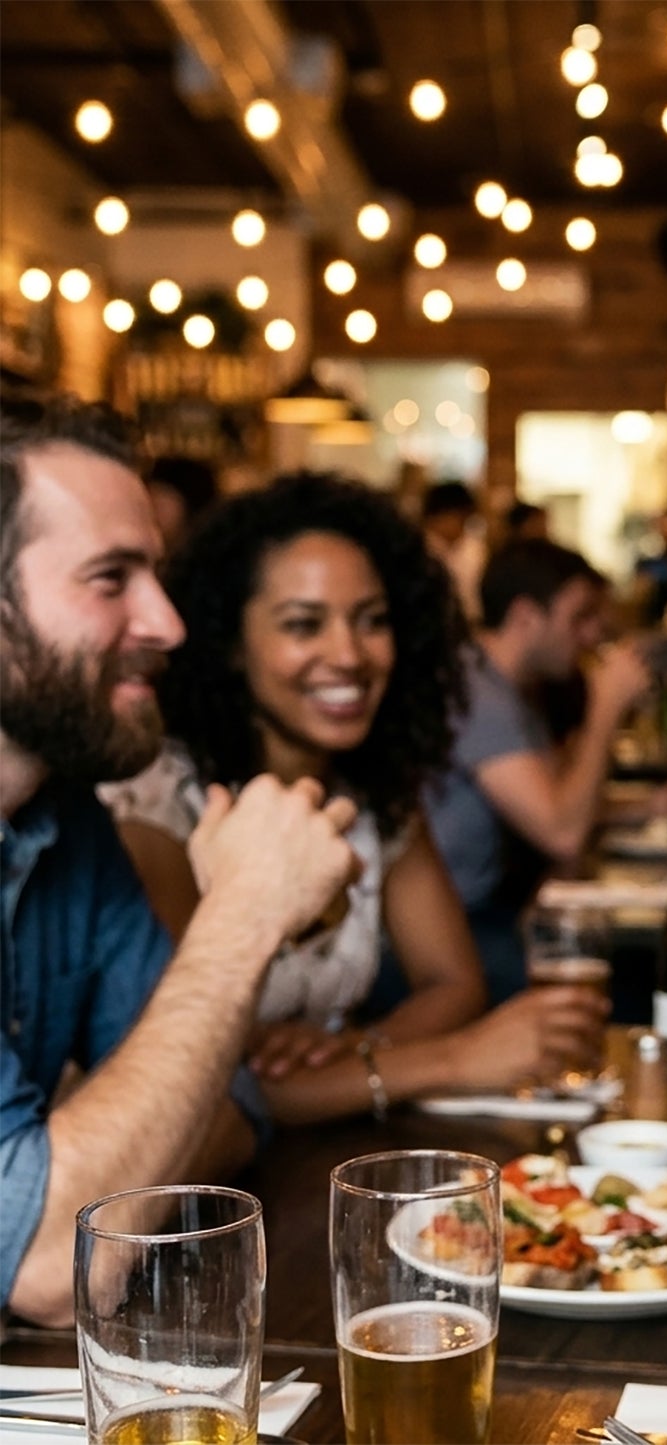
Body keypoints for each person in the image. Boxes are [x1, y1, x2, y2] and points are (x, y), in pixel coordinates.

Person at [0, 393, 356, 1325]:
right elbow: (49, 1263)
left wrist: (96, 1158)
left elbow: (227, 1110)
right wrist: (246, 909)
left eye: (154, 572)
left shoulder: (64, 815)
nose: (167, 621)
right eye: (112, 578)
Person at [105, 475, 607, 1124]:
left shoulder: (373, 789)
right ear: (228, 641)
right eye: (303, 624)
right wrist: (453, 1058)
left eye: (371, 621)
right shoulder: (156, 810)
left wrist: (354, 1046)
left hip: (315, 1163)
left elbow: (454, 981)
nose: (348, 654)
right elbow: (204, 1098)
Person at [424, 538, 653, 1001]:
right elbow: (562, 832)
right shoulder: (476, 695)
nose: (591, 635)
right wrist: (604, 709)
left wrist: (656, 804)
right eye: (579, 618)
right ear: (526, 616)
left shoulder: (508, 686)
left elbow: (565, 802)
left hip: (485, 912)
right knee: (629, 983)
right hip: (445, 937)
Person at [420, 479, 487, 628]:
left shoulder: (474, 549)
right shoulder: (418, 549)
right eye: (458, 518)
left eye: (465, 519)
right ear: (437, 516)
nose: (461, 526)